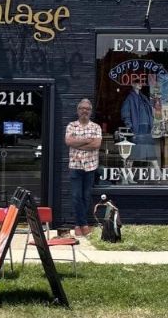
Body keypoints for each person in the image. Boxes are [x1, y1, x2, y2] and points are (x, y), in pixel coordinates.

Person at [65, 98, 102, 237]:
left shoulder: (96, 127)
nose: (84, 111)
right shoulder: (71, 126)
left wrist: (78, 144)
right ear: (78, 110)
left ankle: (79, 224)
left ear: (90, 111)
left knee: (86, 196)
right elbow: (69, 141)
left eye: (87, 109)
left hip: (90, 167)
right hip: (75, 166)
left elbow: (96, 144)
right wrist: (87, 140)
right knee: (76, 196)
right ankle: (82, 224)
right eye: (82, 108)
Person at [120, 83, 160, 170]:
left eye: (141, 82)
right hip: (138, 129)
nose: (140, 84)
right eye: (137, 82)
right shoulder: (130, 98)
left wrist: (152, 122)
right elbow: (125, 113)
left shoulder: (143, 98)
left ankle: (158, 172)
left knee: (150, 151)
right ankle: (128, 174)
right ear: (133, 84)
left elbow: (150, 111)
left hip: (147, 128)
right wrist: (130, 126)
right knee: (134, 151)